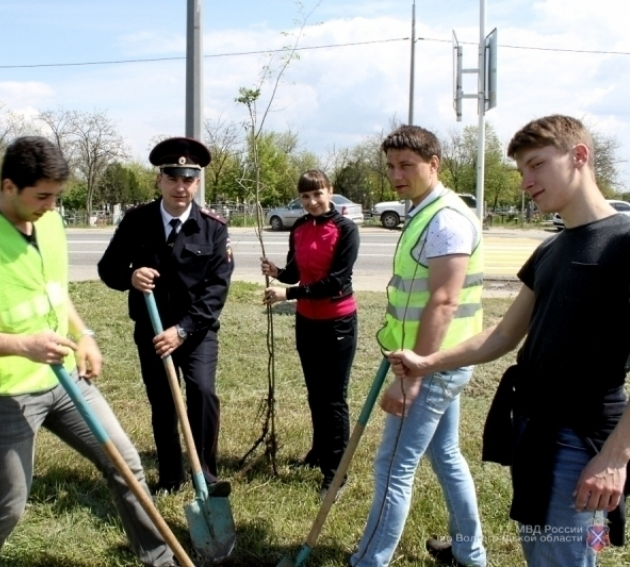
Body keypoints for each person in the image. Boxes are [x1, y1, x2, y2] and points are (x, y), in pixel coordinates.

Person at [388, 115, 630, 567]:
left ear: (579, 157)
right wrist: (426, 362)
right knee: (539, 554)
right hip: (533, 431)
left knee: (564, 558)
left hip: (584, 441)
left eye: (536, 165)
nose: (526, 182)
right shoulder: (550, 249)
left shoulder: (623, 244)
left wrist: (616, 457)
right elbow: (501, 335)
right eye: (521, 171)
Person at [0, 136, 179, 567]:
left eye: (57, 196)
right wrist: (21, 346)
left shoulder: (50, 223)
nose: (50, 205)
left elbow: (54, 294)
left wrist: (84, 334)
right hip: (6, 394)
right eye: (42, 196)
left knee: (126, 465)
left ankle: (160, 559)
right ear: (9, 186)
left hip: (66, 381)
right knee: (7, 504)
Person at [350, 125, 486, 567]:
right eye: (390, 165)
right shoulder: (425, 212)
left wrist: (413, 377)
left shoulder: (446, 219)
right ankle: (471, 552)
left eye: (407, 165)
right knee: (445, 454)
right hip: (434, 360)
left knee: (393, 466)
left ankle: (368, 561)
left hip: (433, 364)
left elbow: (444, 302)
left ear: (434, 164)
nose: (396, 174)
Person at [98, 137, 233, 496]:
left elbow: (216, 291)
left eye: (188, 179)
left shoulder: (213, 228)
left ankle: (205, 472)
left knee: (202, 393)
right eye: (173, 178)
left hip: (196, 332)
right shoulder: (137, 221)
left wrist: (183, 330)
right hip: (152, 332)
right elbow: (107, 268)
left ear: (197, 182)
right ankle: (170, 476)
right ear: (160, 180)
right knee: (162, 401)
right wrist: (129, 276)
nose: (180, 187)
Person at [260, 169, 360, 498]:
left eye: (318, 194)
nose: (312, 202)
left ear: (330, 191)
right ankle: (318, 454)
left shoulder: (345, 229)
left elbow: (336, 282)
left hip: (337, 323)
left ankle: (336, 473)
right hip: (307, 322)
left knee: (333, 399)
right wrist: (277, 273)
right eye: (305, 197)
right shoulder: (300, 228)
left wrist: (287, 295)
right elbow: (294, 273)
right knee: (315, 393)